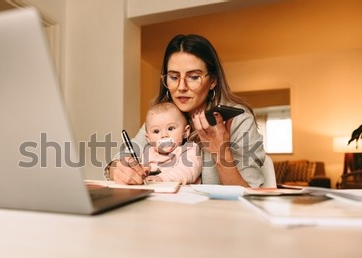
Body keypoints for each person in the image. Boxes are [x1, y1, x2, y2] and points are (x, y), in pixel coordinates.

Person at [107, 34, 266, 187]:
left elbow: (251, 194)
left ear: (212, 81)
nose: (181, 87)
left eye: (194, 77)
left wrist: (221, 153)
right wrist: (119, 170)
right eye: (174, 77)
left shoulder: (238, 119)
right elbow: (118, 161)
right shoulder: (165, 115)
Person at [142, 102, 201, 185]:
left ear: (185, 132)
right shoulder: (148, 152)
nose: (164, 135)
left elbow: (187, 171)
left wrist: (161, 178)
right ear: (148, 139)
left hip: (183, 195)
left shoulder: (189, 149)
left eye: (170, 128)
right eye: (156, 131)